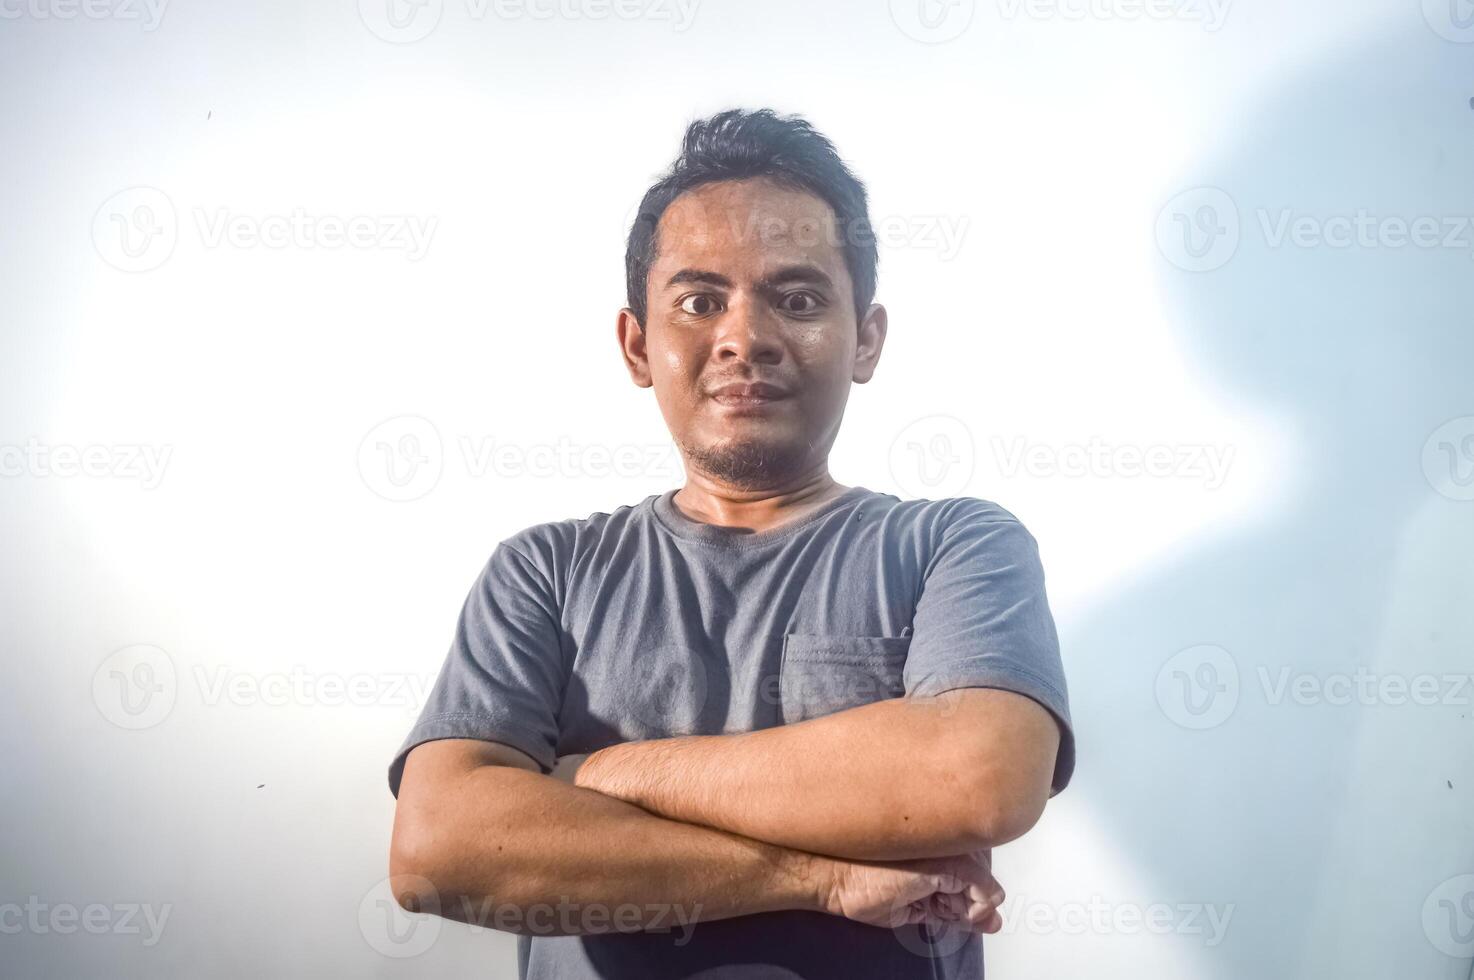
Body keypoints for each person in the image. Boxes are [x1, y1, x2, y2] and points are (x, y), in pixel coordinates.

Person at [386, 107, 1075, 979]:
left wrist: (602, 775)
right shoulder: (545, 572)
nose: (745, 338)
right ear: (638, 345)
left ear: (866, 338)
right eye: (700, 300)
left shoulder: (953, 544)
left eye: (797, 299)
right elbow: (440, 846)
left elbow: (978, 776)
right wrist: (814, 877)